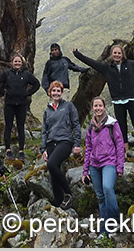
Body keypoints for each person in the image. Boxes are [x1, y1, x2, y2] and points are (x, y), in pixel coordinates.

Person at [73, 45, 134, 155]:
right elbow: (92, 63)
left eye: (119, 53)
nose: (117, 55)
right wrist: (77, 54)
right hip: (118, 102)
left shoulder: (131, 65)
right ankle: (126, 153)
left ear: (122, 54)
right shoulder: (107, 68)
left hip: (132, 100)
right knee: (122, 128)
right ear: (111, 55)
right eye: (115, 53)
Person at [82, 97, 125, 240]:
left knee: (107, 188)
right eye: (96, 106)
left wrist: (120, 167)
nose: (98, 108)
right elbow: (88, 148)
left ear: (104, 107)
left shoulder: (112, 124)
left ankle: (115, 221)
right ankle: (104, 230)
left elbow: (120, 145)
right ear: (92, 108)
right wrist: (85, 170)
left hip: (109, 162)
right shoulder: (91, 126)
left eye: (100, 105)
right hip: (94, 165)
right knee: (100, 197)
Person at [40, 81, 82, 209]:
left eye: (58, 91)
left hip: (65, 141)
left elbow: (76, 124)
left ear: (61, 93)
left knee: (51, 164)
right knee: (53, 174)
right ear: (50, 93)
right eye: (54, 91)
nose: (56, 93)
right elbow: (44, 131)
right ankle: (59, 203)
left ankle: (68, 193)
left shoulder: (68, 106)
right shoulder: (47, 110)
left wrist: (77, 143)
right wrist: (43, 149)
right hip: (51, 144)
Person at [0, 53, 41, 160]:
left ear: (22, 63)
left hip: (22, 105)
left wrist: (28, 93)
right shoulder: (7, 73)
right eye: (15, 61)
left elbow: (37, 84)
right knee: (8, 127)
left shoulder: (27, 75)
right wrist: (2, 92)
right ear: (12, 63)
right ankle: (8, 149)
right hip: (9, 104)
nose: (17, 63)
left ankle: (21, 151)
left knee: (20, 127)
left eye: (19, 61)